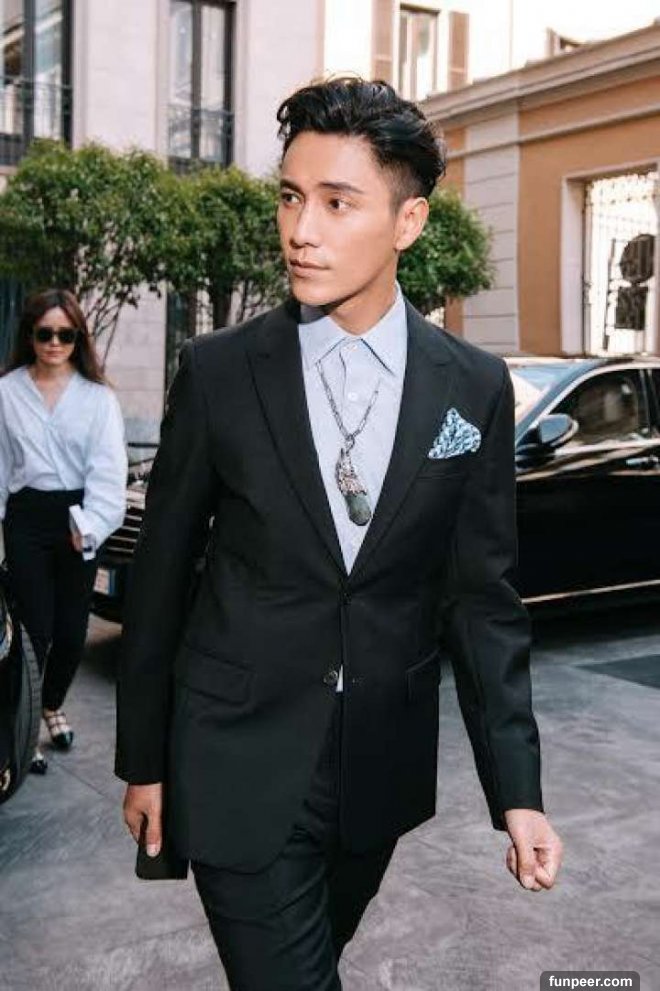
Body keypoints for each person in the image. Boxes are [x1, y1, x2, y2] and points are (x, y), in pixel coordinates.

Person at [117, 78, 563, 990]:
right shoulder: (220, 372)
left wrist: (517, 791)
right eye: (290, 197)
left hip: (377, 774)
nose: (300, 229)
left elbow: (481, 602)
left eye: (336, 202)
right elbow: (159, 578)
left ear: (408, 222)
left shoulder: (472, 386)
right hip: (233, 756)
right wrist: (144, 761)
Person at [0, 288, 127, 774]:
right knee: (34, 630)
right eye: (45, 333)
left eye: (65, 335)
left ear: (78, 338)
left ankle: (51, 704)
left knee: (72, 635)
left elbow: (109, 472)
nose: (55, 343)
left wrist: (91, 524)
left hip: (79, 519)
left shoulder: (98, 399)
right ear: (30, 335)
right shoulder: (8, 392)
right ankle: (25, 729)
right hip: (26, 518)